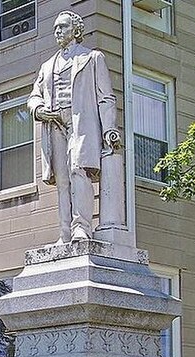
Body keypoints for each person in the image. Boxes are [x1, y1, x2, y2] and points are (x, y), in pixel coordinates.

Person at [27, 10, 121, 243]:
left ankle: (82, 227)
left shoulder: (92, 58)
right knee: (62, 180)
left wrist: (109, 127)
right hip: (54, 122)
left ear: (76, 30)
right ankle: (65, 233)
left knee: (79, 170)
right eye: (56, 28)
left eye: (63, 27)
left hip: (81, 122)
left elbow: (105, 97)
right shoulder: (47, 66)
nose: (58, 32)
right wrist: (39, 110)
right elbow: (34, 96)